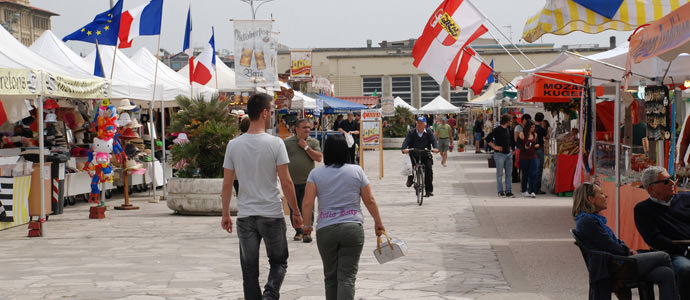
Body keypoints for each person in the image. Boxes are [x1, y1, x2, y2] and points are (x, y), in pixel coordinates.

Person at [221, 93, 303, 300]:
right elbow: (286, 182)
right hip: (271, 213)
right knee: (278, 261)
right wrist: (296, 211)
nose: (273, 114)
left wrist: (225, 214)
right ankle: (270, 295)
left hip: (246, 215)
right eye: (272, 110)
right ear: (265, 113)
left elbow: (227, 183)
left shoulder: (234, 145)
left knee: (249, 270)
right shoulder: (276, 144)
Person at [302, 134, 385, 300]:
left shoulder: (315, 174)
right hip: (352, 228)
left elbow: (307, 203)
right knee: (347, 276)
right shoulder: (356, 171)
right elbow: (369, 200)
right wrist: (378, 222)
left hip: (326, 229)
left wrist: (306, 226)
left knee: (330, 276)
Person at [573, 182, 678, 300]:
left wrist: (626, 250)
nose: (605, 196)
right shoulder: (588, 222)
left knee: (665, 273)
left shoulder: (589, 220)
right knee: (664, 256)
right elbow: (611, 246)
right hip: (617, 266)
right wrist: (627, 251)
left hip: (618, 261)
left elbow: (611, 243)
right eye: (601, 193)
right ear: (591, 199)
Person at [635, 166, 690, 300]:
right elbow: (655, 239)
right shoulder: (642, 209)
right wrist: (685, 250)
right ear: (651, 188)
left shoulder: (686, 198)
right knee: (686, 269)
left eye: (671, 179)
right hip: (672, 254)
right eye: (666, 181)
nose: (672, 183)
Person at [284, 119, 322, 243]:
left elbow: (318, 158)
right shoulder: (287, 143)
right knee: (294, 208)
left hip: (308, 182)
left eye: (308, 127)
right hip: (291, 182)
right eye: (304, 127)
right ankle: (298, 231)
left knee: (308, 207)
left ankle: (307, 231)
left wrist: (305, 147)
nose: (307, 130)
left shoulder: (313, 142)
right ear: (296, 129)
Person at [402, 116, 439, 197]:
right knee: (410, 165)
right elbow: (406, 141)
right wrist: (404, 149)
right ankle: (410, 178)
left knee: (429, 169)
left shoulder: (429, 132)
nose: (419, 125)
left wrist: (436, 148)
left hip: (425, 154)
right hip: (414, 153)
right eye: (418, 123)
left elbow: (434, 141)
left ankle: (428, 190)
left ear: (425, 125)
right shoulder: (411, 132)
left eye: (421, 123)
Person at [485, 114, 514, 198]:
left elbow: (508, 141)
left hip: (508, 154)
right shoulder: (497, 130)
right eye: (510, 121)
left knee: (509, 174)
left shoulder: (508, 129)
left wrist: (511, 149)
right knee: (500, 174)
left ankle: (508, 191)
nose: (511, 122)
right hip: (499, 154)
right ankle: (500, 191)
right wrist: (495, 147)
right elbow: (487, 139)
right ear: (507, 121)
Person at [518, 120, 539, 198]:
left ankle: (532, 190)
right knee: (525, 174)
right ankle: (524, 190)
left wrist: (536, 146)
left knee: (533, 173)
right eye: (532, 127)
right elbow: (518, 145)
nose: (533, 128)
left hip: (533, 155)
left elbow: (536, 144)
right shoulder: (522, 134)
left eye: (534, 127)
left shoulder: (535, 135)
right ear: (528, 127)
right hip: (524, 156)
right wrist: (524, 147)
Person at [534, 112, 548, 194]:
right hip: (539, 149)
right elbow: (547, 136)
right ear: (542, 120)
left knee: (532, 168)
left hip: (532, 149)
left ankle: (531, 187)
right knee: (539, 169)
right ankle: (537, 188)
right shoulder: (541, 129)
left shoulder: (531, 127)